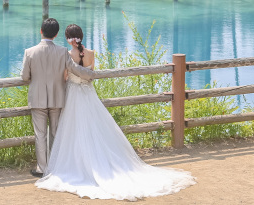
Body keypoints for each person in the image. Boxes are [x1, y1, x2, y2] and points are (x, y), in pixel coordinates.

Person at [35, 23, 196, 200]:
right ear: (81, 37)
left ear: (67, 39)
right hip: (88, 95)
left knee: (73, 130)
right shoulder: (91, 53)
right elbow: (91, 74)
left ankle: (76, 162)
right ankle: (96, 160)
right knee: (94, 128)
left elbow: (65, 77)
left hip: (72, 95)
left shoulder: (66, 54)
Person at [21, 18, 96, 178]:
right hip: (57, 97)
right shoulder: (62, 51)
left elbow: (25, 77)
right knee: (55, 132)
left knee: (40, 135)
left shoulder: (29, 52)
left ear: (41, 31)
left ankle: (42, 169)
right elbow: (74, 69)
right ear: (55, 35)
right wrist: (90, 74)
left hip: (38, 99)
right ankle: (56, 166)